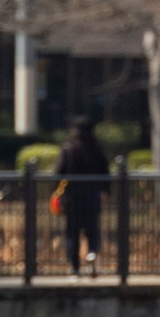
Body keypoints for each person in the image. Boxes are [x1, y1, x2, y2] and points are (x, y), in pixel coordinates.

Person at [53, 115, 111, 275]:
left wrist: (57, 191)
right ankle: (92, 255)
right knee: (92, 231)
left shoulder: (68, 149)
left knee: (72, 232)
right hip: (93, 195)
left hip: (72, 197)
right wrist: (106, 191)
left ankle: (75, 268)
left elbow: (58, 172)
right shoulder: (97, 149)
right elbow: (105, 173)